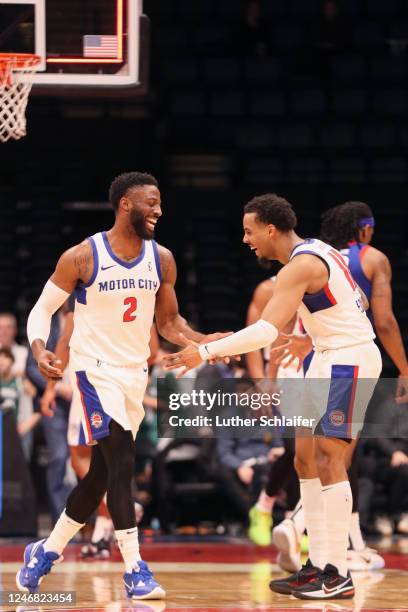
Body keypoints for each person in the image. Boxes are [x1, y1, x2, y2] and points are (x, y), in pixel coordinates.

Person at [17, 171, 228, 600]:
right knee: (122, 461)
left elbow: (168, 323)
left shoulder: (161, 258)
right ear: (126, 204)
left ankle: (46, 549)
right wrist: (40, 351)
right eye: (151, 202)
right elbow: (42, 310)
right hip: (94, 370)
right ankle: (134, 567)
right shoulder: (83, 256)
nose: (159, 210)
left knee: (100, 476)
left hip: (134, 374)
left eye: (161, 202)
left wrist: (204, 342)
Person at [164, 193, 382, 600]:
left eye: (249, 231)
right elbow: (359, 301)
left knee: (329, 458)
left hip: (346, 361)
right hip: (322, 356)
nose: (246, 240)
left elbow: (264, 332)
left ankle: (338, 571)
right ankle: (316, 564)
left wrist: (205, 351)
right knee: (302, 459)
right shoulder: (320, 251)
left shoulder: (300, 265)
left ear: (270, 228)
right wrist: (308, 336)